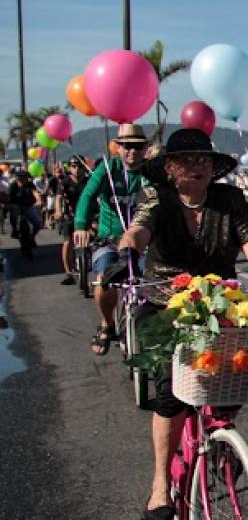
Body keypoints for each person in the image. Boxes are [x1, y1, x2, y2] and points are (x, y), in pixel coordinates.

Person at [101, 129, 248, 520]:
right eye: (187, 160)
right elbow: (140, 228)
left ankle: (219, 437)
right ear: (169, 167)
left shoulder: (229, 199)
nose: (197, 166)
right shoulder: (157, 197)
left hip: (220, 301)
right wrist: (126, 253)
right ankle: (159, 485)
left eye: (203, 160)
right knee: (171, 393)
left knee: (241, 371)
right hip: (165, 303)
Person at [74, 123, 150, 354]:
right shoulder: (108, 168)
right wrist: (81, 226)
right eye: (126, 146)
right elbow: (88, 195)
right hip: (110, 238)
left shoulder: (151, 172)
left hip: (142, 240)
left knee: (155, 281)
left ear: (145, 148)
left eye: (137, 147)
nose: (132, 151)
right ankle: (107, 322)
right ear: (117, 148)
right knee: (103, 279)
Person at [54, 159, 86, 283]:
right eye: (73, 166)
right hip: (69, 216)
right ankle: (68, 272)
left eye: (79, 166)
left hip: (85, 216)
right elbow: (58, 197)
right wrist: (58, 211)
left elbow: (97, 197)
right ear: (69, 168)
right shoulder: (64, 182)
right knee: (67, 243)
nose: (77, 169)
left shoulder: (88, 181)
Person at [8, 172, 41, 259]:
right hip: (17, 207)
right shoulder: (13, 186)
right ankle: (15, 230)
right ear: (17, 178)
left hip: (28, 207)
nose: (23, 179)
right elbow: (10, 198)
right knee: (16, 221)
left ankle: (32, 237)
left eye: (25, 177)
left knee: (38, 223)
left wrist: (38, 201)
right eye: (21, 178)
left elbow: (35, 193)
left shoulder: (30, 184)